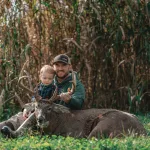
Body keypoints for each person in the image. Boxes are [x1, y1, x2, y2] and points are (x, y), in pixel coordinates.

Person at [0, 54, 85, 137]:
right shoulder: (49, 80)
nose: (60, 68)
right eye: (57, 65)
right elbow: (39, 99)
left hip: (62, 119)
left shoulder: (76, 84)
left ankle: (16, 134)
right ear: (53, 67)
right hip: (45, 113)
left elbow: (79, 104)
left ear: (69, 67)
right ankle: (4, 126)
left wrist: (69, 100)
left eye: (63, 65)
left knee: (35, 115)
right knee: (23, 114)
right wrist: (27, 107)